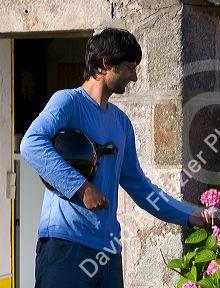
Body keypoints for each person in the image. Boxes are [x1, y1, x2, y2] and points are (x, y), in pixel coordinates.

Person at [20, 28, 210, 288]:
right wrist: (82, 188)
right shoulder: (67, 102)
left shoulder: (121, 123)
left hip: (108, 252)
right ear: (106, 63)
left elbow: (141, 189)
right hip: (66, 245)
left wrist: (191, 214)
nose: (133, 77)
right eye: (130, 68)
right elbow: (31, 144)